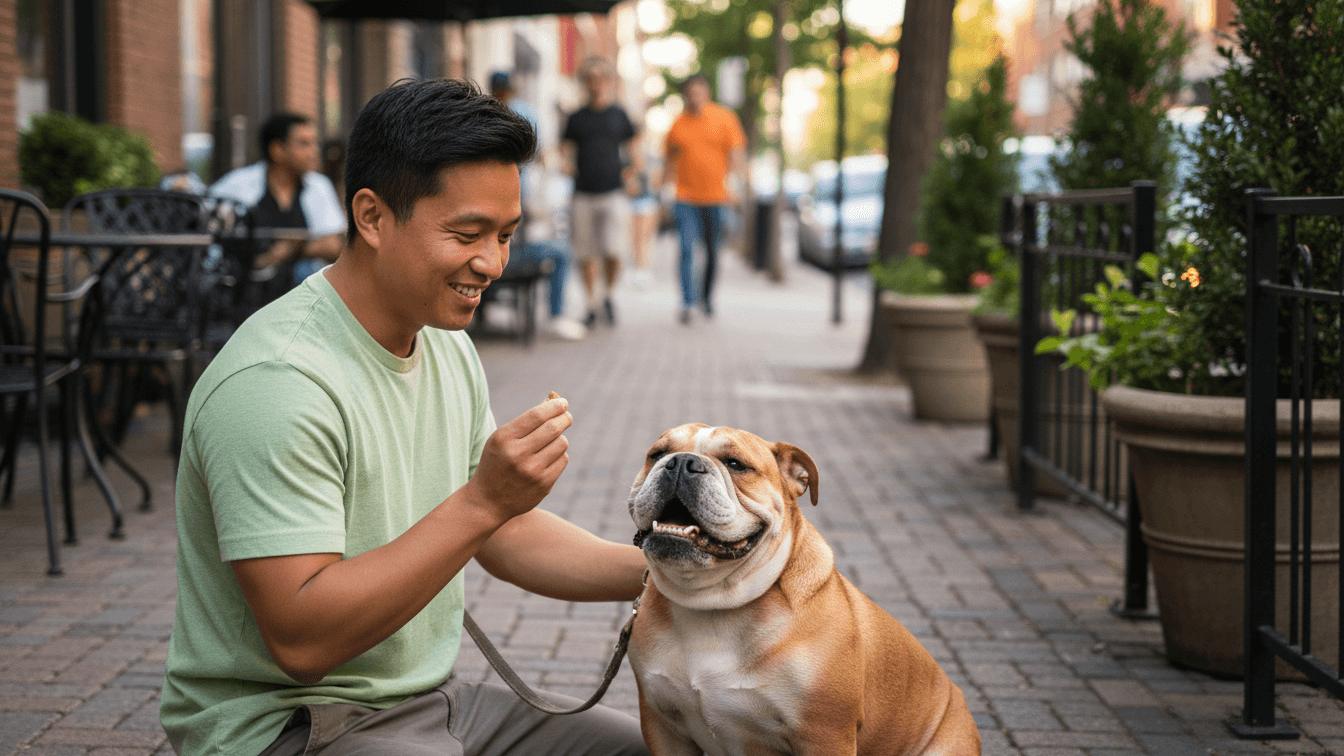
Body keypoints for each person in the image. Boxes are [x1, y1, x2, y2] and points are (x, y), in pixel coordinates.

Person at [160, 78, 649, 756]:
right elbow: (304, 640)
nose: (492, 263)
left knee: (647, 747)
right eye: (468, 233)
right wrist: (484, 502)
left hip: (429, 705)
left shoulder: (444, 342)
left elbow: (505, 535)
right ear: (371, 217)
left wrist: (672, 573)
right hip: (287, 725)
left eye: (506, 235)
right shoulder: (278, 381)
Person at [490, 70, 586, 341]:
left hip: (496, 252)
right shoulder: (507, 188)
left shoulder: (512, 187)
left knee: (551, 246)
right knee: (559, 252)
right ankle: (556, 316)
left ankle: (555, 315)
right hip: (501, 260)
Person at [209, 112, 346, 285]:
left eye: (314, 143)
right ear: (277, 150)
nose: (314, 152)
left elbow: (334, 244)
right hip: (243, 284)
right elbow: (205, 216)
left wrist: (290, 250)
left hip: (297, 284)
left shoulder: (318, 186)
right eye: (304, 144)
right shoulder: (239, 184)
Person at [560, 57, 642, 328]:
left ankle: (608, 294)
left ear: (607, 81)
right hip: (582, 193)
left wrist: (633, 175)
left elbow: (633, 148)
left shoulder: (619, 115)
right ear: (585, 83)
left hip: (613, 192)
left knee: (613, 250)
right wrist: (566, 165)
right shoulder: (576, 118)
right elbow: (565, 149)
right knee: (584, 252)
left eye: (600, 78)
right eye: (590, 79)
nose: (595, 84)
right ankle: (591, 303)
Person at [661, 74, 746, 325]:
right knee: (686, 249)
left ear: (707, 94)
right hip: (685, 197)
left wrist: (739, 184)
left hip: (717, 197)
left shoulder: (724, 118)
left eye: (699, 92)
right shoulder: (678, 124)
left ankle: (706, 298)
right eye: (690, 93)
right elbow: (669, 159)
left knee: (711, 252)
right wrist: (665, 190)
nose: (695, 97)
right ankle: (687, 303)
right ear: (686, 96)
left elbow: (737, 152)